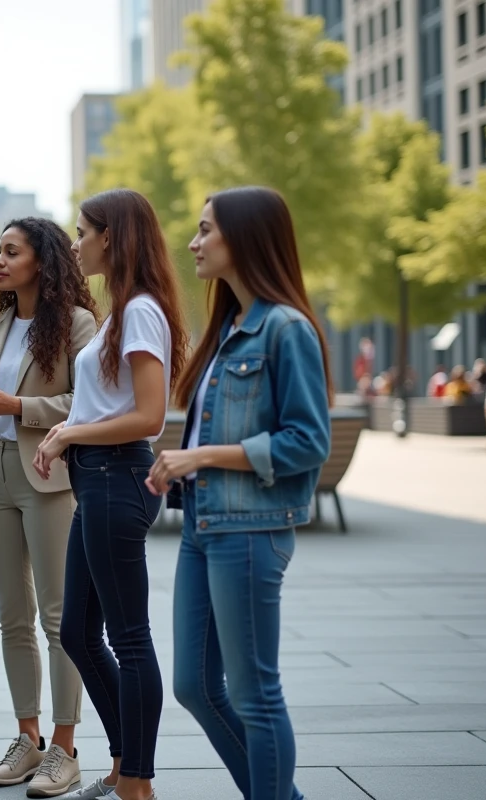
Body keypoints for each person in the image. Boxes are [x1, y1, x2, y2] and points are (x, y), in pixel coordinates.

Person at [145, 187, 332, 800]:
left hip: (251, 530)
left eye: (206, 231)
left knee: (256, 692)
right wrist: (179, 466)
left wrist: (202, 456)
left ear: (244, 237)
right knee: (195, 686)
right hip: (205, 524)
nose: (193, 244)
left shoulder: (286, 330)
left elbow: (307, 442)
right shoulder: (229, 329)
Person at [33, 189, 189, 800]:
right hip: (97, 477)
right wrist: (72, 432)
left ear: (111, 238)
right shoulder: (125, 310)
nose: (76, 243)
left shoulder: (142, 311)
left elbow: (150, 415)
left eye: (83, 232)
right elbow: (118, 404)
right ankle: (127, 760)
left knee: (128, 636)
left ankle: (137, 782)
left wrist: (72, 430)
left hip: (114, 478)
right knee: (77, 632)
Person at [0, 218, 98, 797]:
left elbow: (88, 402)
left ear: (44, 261)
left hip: (49, 476)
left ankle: (65, 747)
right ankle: (28, 739)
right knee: (12, 615)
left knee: (58, 618)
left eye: (12, 251)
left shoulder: (79, 325)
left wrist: (18, 405)